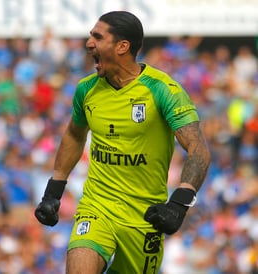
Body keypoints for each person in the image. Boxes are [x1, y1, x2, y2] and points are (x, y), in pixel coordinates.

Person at [34, 10, 211, 273]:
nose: (88, 43)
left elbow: (198, 148)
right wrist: (54, 191)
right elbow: (74, 133)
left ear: (122, 46)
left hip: (144, 218)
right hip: (97, 207)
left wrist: (179, 205)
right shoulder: (86, 89)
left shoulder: (163, 90)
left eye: (97, 36)